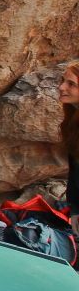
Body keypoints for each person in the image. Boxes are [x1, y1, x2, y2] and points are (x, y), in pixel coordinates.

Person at [57, 61, 79, 236]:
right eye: (63, 80)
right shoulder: (72, 122)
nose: (61, 86)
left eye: (71, 84)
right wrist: (75, 209)